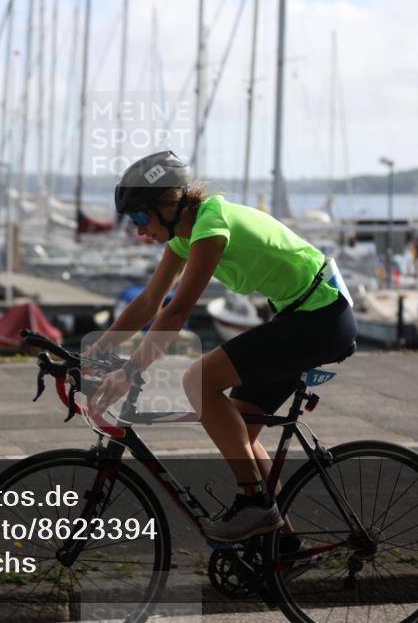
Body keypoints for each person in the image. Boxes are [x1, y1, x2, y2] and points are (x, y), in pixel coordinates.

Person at [87, 150, 357, 543]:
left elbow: (177, 311)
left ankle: (255, 504)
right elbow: (149, 302)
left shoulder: (211, 226)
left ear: (168, 204)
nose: (140, 230)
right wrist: (94, 352)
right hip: (298, 316)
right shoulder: (185, 236)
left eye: (141, 217)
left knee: (199, 379)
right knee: (241, 437)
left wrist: (130, 373)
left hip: (320, 318)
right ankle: (282, 545)